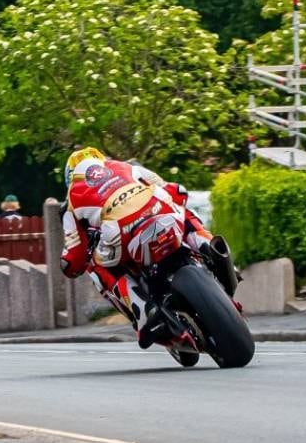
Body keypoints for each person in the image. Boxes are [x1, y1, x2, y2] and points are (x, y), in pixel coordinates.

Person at [59, 147, 235, 348]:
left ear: (70, 176)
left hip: (120, 232)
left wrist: (69, 266)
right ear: (101, 160)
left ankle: (143, 309)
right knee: (180, 209)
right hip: (160, 210)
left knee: (96, 265)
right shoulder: (125, 166)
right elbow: (171, 189)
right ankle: (210, 247)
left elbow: (75, 253)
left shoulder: (72, 198)